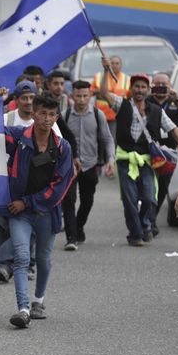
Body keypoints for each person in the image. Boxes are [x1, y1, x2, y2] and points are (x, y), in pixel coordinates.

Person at [2, 94, 75, 328]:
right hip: (18, 212)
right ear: (33, 114)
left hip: (46, 212)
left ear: (57, 117)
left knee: (43, 259)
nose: (47, 118)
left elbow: (59, 186)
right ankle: (23, 309)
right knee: (22, 258)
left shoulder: (63, 148)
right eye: (42, 113)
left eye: (52, 114)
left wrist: (28, 202)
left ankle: (38, 301)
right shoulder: (16, 138)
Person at [97, 58, 178, 245]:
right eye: (136, 86)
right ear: (132, 89)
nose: (139, 90)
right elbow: (104, 92)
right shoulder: (122, 104)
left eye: (143, 87)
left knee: (149, 198)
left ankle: (145, 224)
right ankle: (135, 234)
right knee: (129, 200)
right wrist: (106, 71)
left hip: (147, 161)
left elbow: (173, 128)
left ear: (148, 90)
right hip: (125, 159)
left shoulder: (156, 111)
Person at [62, 80, 115, 249]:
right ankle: (71, 237)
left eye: (85, 95)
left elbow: (107, 139)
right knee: (69, 201)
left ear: (90, 95)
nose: (82, 99)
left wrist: (110, 160)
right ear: (72, 96)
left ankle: (78, 225)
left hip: (90, 164)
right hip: (69, 166)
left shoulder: (98, 115)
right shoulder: (65, 115)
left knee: (87, 201)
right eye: (78, 96)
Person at [148, 72, 178, 231]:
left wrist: (177, 97)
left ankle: (151, 220)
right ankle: (146, 218)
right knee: (148, 187)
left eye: (164, 85)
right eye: (157, 84)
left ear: (170, 86)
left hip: (169, 153)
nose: (160, 88)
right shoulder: (146, 101)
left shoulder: (174, 103)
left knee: (162, 188)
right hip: (149, 150)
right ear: (151, 85)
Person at [91, 54, 130, 141]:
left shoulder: (127, 79)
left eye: (117, 63)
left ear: (121, 65)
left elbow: (130, 96)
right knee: (100, 140)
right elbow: (91, 91)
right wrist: (102, 92)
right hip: (101, 116)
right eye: (112, 63)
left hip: (117, 116)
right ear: (108, 64)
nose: (114, 65)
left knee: (113, 140)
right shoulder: (99, 76)